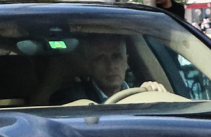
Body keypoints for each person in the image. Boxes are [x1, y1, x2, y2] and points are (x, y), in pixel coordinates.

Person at [31, 36, 167, 106]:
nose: (110, 65)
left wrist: (154, 95)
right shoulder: (70, 98)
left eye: (116, 57)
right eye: (101, 58)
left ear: (126, 62)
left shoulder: (142, 96)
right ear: (90, 66)